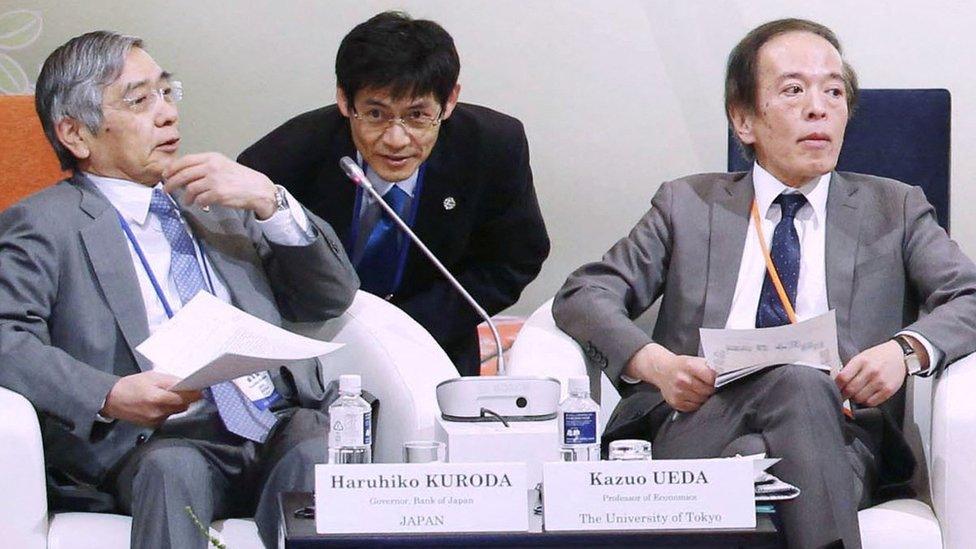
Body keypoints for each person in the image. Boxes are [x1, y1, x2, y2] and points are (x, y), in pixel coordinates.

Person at [553, 18, 976, 549]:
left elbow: (971, 295)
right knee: (792, 394)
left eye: (834, 91)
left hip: (841, 434)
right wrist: (659, 367)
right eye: (793, 90)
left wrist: (904, 351)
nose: (818, 107)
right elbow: (584, 294)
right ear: (744, 120)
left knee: (794, 400)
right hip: (696, 423)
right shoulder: (688, 205)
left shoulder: (895, 208)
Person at [0, 31, 359, 548]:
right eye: (140, 100)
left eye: (167, 93)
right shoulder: (43, 224)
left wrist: (271, 201)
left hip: (275, 420)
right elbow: (7, 337)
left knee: (320, 450)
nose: (167, 114)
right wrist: (107, 394)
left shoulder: (219, 196)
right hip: (159, 439)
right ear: (76, 134)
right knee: (173, 470)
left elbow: (330, 297)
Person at [239, 11, 550, 376]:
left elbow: (513, 259)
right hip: (313, 355)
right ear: (344, 100)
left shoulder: (493, 146)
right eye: (375, 114)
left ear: (449, 102)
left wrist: (405, 330)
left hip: (432, 344)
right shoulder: (282, 160)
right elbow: (252, 277)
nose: (396, 139)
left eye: (418, 116)